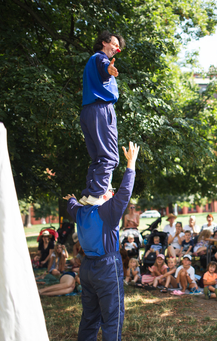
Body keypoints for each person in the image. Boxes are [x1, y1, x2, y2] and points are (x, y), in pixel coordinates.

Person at [64, 141, 139, 340]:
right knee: (112, 317)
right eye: (110, 189)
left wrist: (73, 199)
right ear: (105, 195)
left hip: (87, 269)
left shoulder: (79, 212)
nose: (113, 191)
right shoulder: (107, 211)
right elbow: (124, 193)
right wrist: (130, 164)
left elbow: (72, 205)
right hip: (106, 268)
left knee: (90, 316)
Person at [79, 31, 125, 206]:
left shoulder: (91, 61)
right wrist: (109, 69)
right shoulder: (100, 58)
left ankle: (89, 194)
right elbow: (104, 66)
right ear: (104, 42)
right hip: (101, 109)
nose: (116, 49)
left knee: (98, 158)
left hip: (88, 111)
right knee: (110, 157)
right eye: (114, 45)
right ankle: (98, 194)